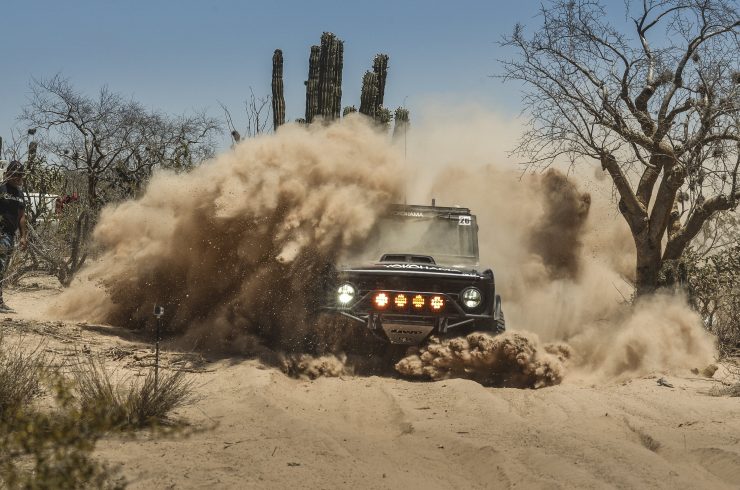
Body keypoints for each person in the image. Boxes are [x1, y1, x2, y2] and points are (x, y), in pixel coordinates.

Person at [0, 160, 28, 312]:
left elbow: (22, 216)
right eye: (16, 175)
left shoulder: (20, 194)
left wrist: (23, 236)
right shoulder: (1, 189)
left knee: (3, 268)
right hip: (1, 234)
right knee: (0, 266)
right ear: (8, 174)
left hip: (11, 235)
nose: (18, 178)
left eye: (20, 175)